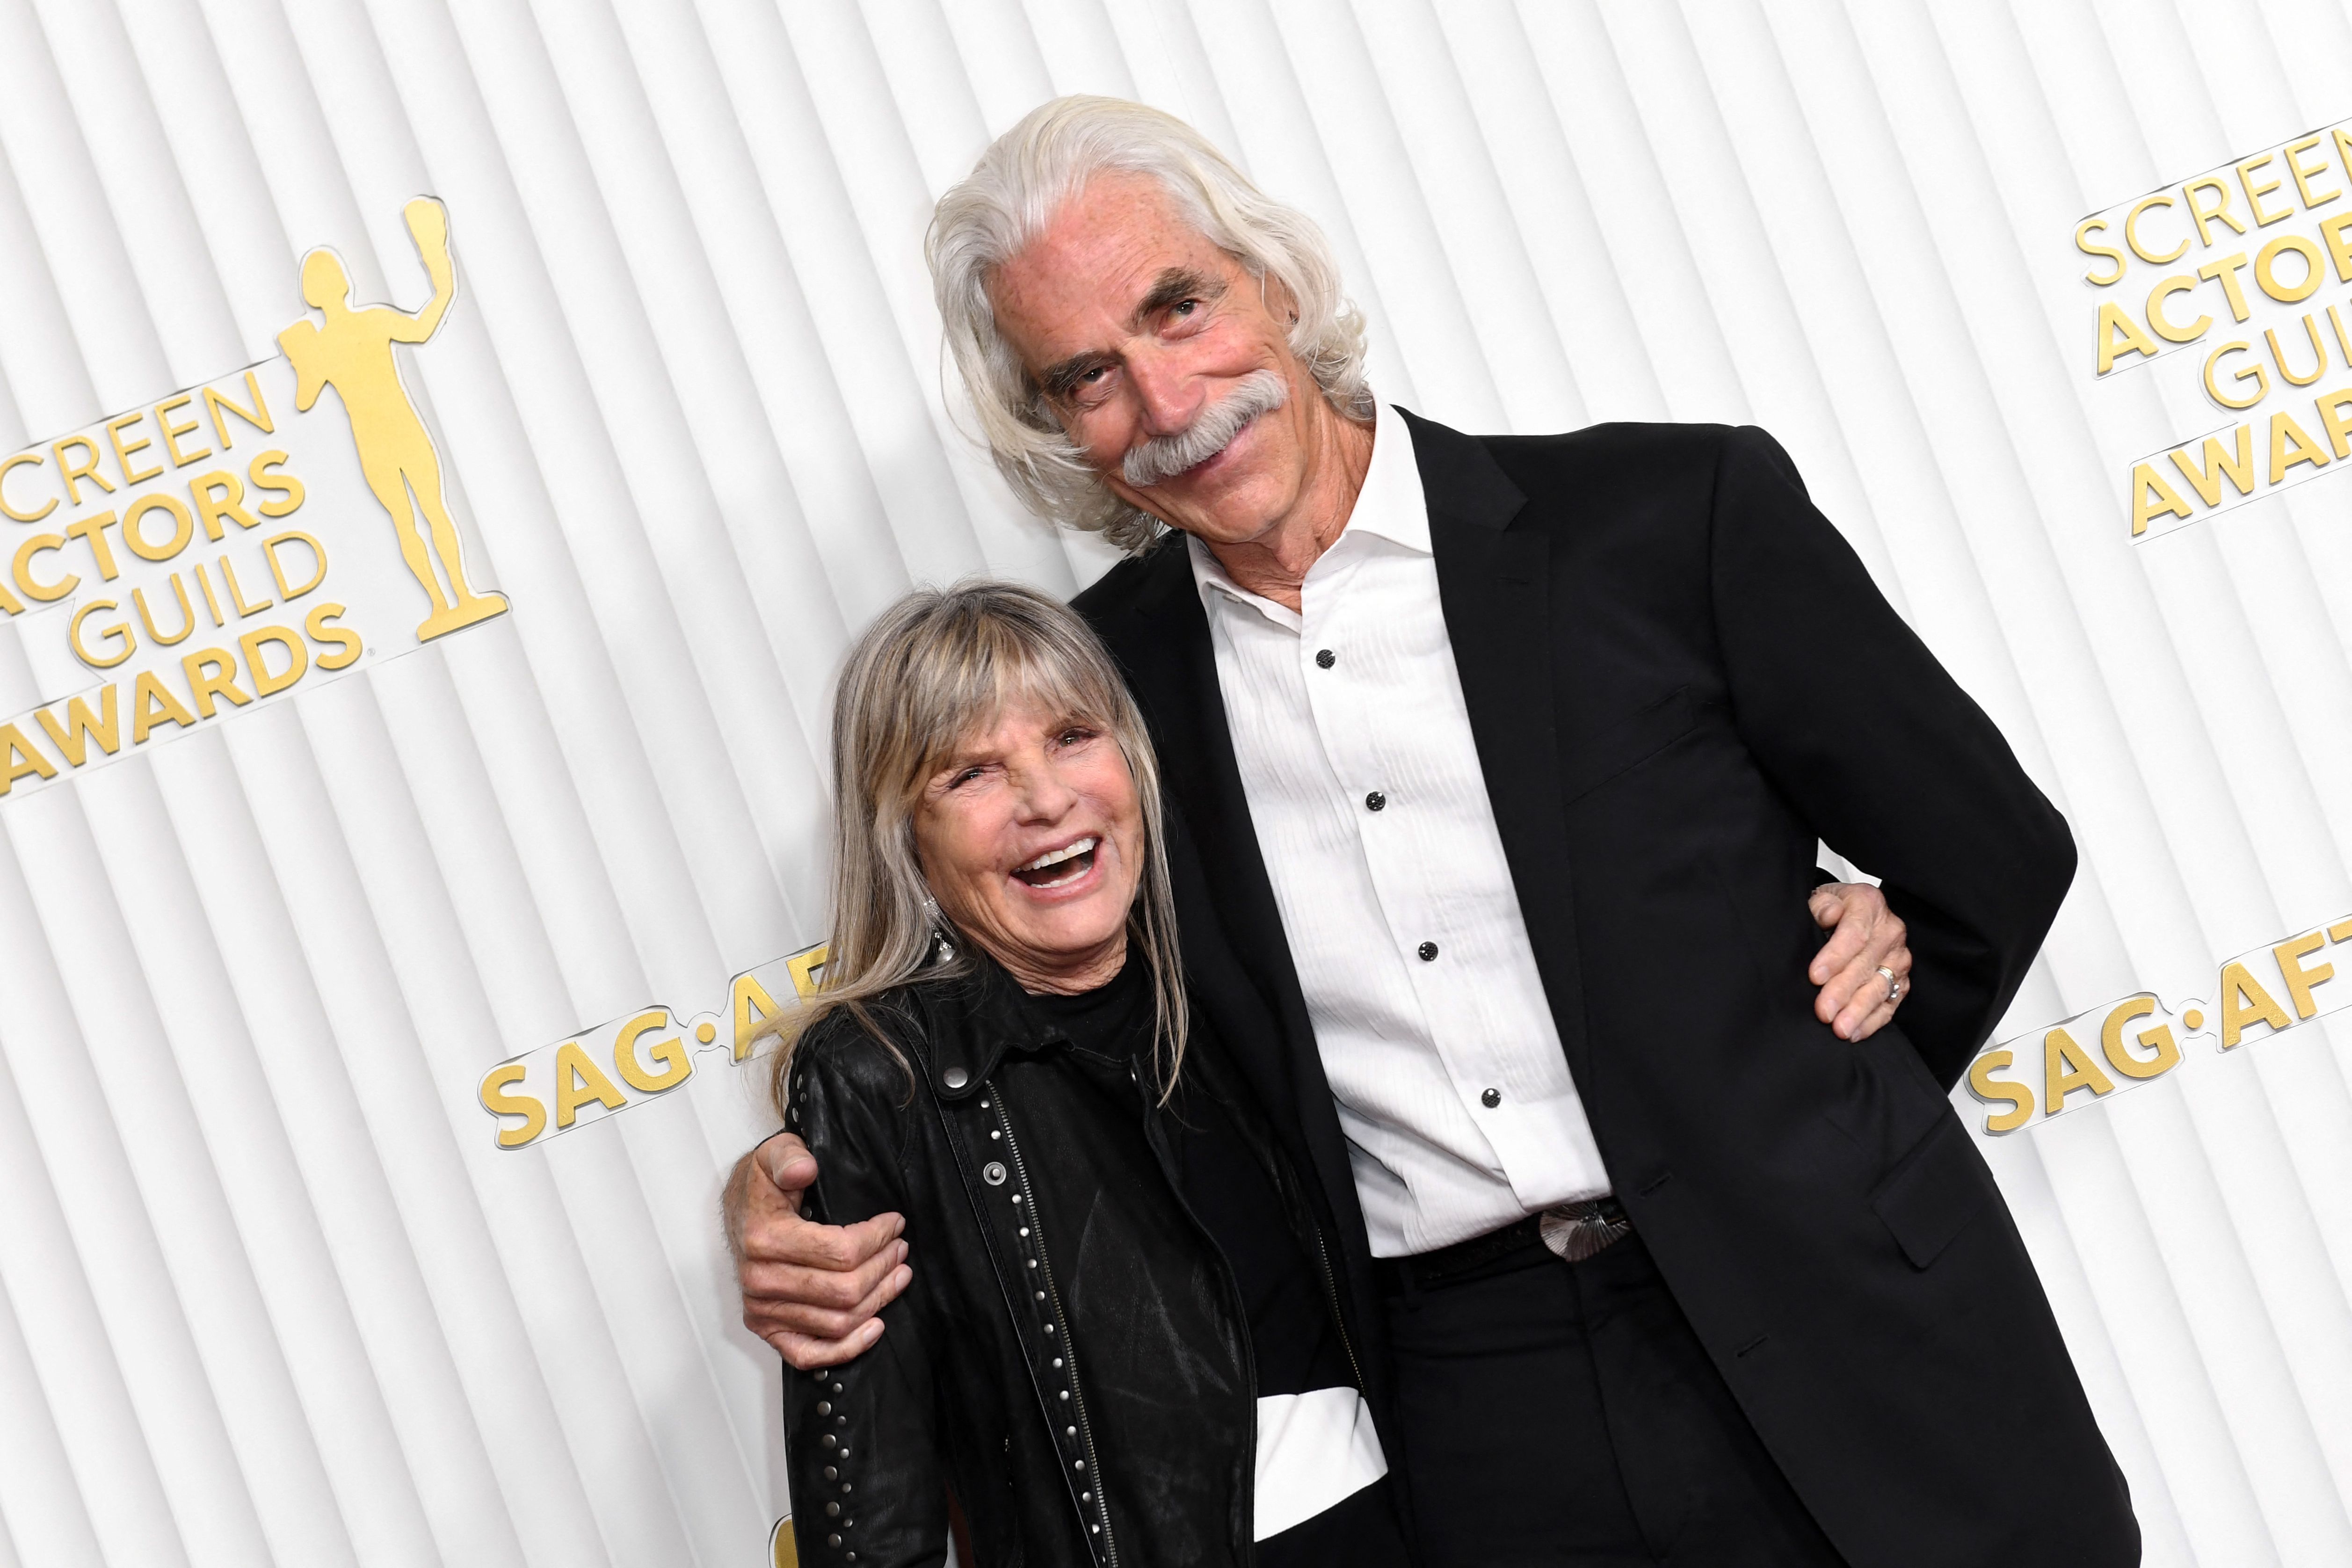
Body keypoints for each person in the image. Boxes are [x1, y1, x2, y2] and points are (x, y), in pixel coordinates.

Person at [730, 97, 2137, 1567]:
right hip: (1480, 1417)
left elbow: (1987, 854)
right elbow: (1036, 1048)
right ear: (1056, 430)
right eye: (1087, 375)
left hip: (1863, 1323)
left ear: (1273, 282)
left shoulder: (1666, 517)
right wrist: (808, 1196)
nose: (1165, 400)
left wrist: (1822, 1106)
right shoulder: (1101, 703)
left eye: (1179, 306)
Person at [773, 581, 1413, 1567]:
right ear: (907, 840)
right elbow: (874, 1505)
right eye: (972, 773)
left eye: (1073, 735)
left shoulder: (1244, 976)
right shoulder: (881, 1077)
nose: (1045, 799)